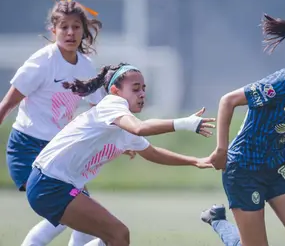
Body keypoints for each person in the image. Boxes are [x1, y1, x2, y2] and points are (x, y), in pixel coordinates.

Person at [26, 63, 215, 246]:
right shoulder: (112, 103)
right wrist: (185, 123)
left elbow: (152, 153)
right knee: (118, 234)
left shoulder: (124, 124)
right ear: (116, 91)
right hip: (49, 184)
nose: (142, 93)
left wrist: (195, 161)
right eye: (135, 88)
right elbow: (140, 128)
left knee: (114, 235)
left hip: (58, 185)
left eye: (143, 88)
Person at [201, 14, 285, 246]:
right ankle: (218, 221)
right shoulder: (280, 84)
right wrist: (221, 149)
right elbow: (227, 100)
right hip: (244, 168)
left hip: (279, 164)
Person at [0, 0, 105, 245]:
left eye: (76, 26)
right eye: (64, 26)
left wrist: (127, 138)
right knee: (64, 213)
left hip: (58, 152)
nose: (70, 32)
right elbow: (6, 105)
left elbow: (101, 109)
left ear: (83, 30)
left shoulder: (86, 66)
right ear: (53, 30)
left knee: (86, 218)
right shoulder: (41, 62)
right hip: (27, 150)